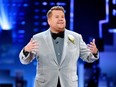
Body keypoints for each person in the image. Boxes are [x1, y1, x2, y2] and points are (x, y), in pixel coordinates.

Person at [19, 6, 99, 87]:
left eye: (63, 17)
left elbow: (88, 57)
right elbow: (25, 61)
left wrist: (94, 53)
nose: (61, 19)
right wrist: (26, 50)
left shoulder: (76, 37)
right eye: (57, 17)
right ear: (49, 21)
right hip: (45, 84)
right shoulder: (38, 38)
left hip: (69, 84)